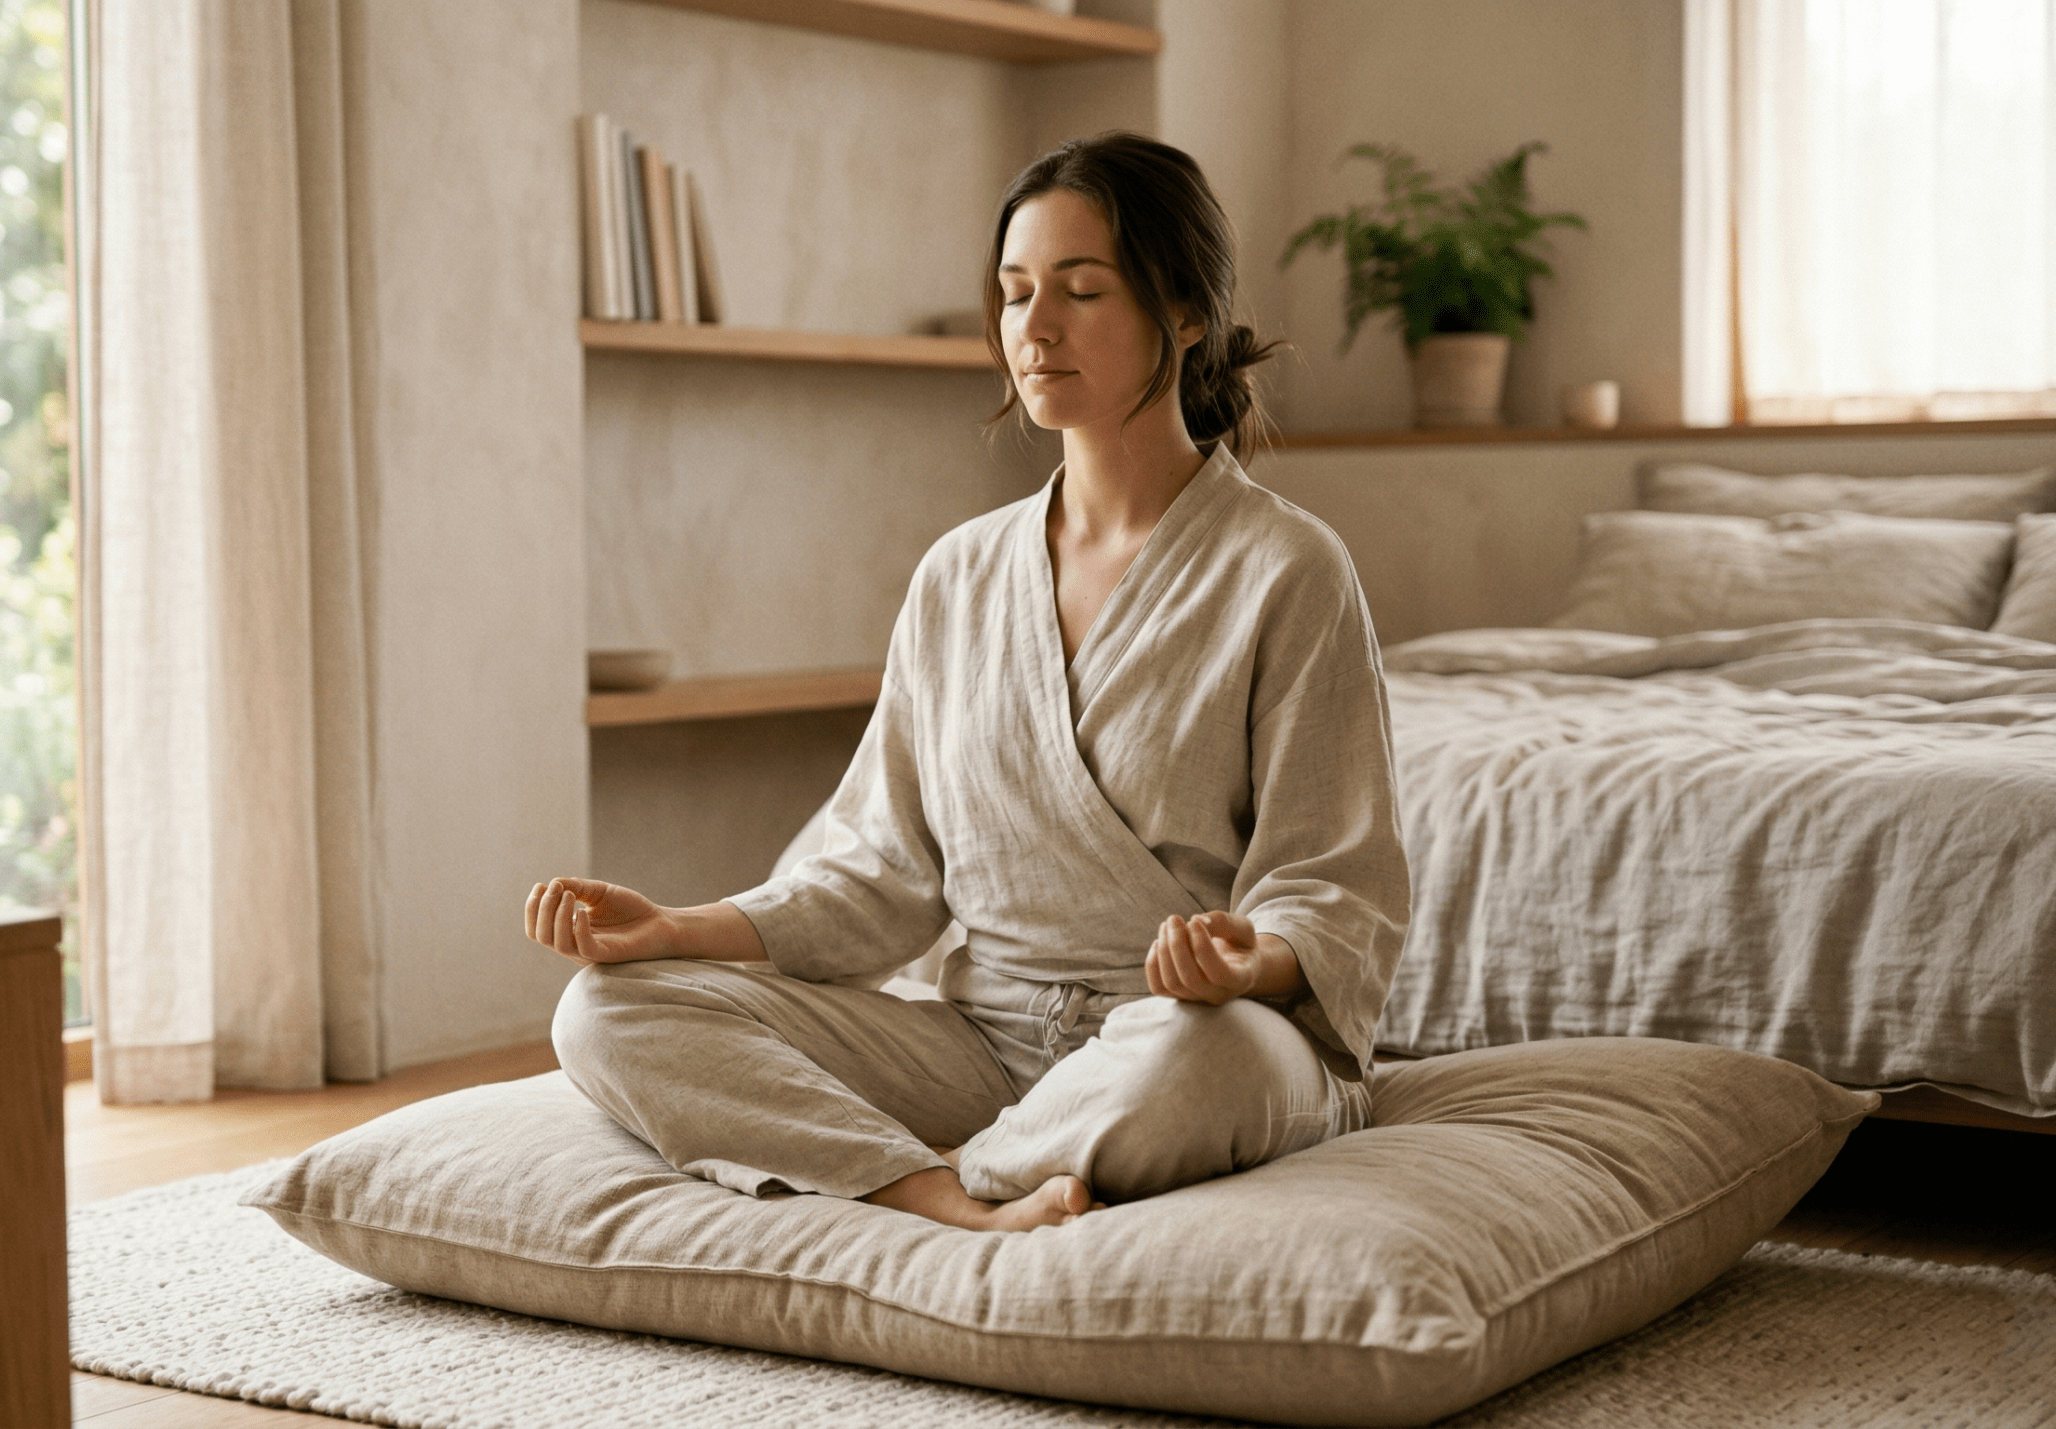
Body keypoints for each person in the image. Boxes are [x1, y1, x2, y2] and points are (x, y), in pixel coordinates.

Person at [524, 132, 1409, 1233]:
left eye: (1080, 291)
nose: (1033, 329)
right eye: (1013, 292)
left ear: (1185, 315)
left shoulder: (1288, 568)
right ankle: (941, 1191)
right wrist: (674, 930)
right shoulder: (959, 573)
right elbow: (878, 872)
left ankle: (929, 1165)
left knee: (1206, 1063)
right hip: (979, 1041)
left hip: (1177, 1030)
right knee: (605, 1011)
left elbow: (1336, 883)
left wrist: (1249, 958)